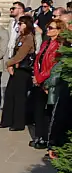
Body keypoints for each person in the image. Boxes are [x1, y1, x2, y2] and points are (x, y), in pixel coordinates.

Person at [0, 17, 36, 132]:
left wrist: (8, 63)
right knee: (10, 95)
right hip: (16, 69)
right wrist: (10, 65)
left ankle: (18, 123)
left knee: (19, 97)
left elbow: (21, 55)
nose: (19, 25)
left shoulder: (29, 38)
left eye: (21, 23)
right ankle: (7, 120)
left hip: (23, 71)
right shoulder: (21, 37)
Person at [32, 19, 63, 149]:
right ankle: (39, 136)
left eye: (51, 28)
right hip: (39, 79)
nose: (48, 30)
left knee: (49, 112)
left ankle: (48, 138)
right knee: (38, 111)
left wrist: (41, 79)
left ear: (59, 30)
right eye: (48, 27)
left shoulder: (59, 46)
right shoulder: (45, 43)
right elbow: (37, 60)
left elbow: (54, 67)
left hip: (48, 82)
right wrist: (36, 76)